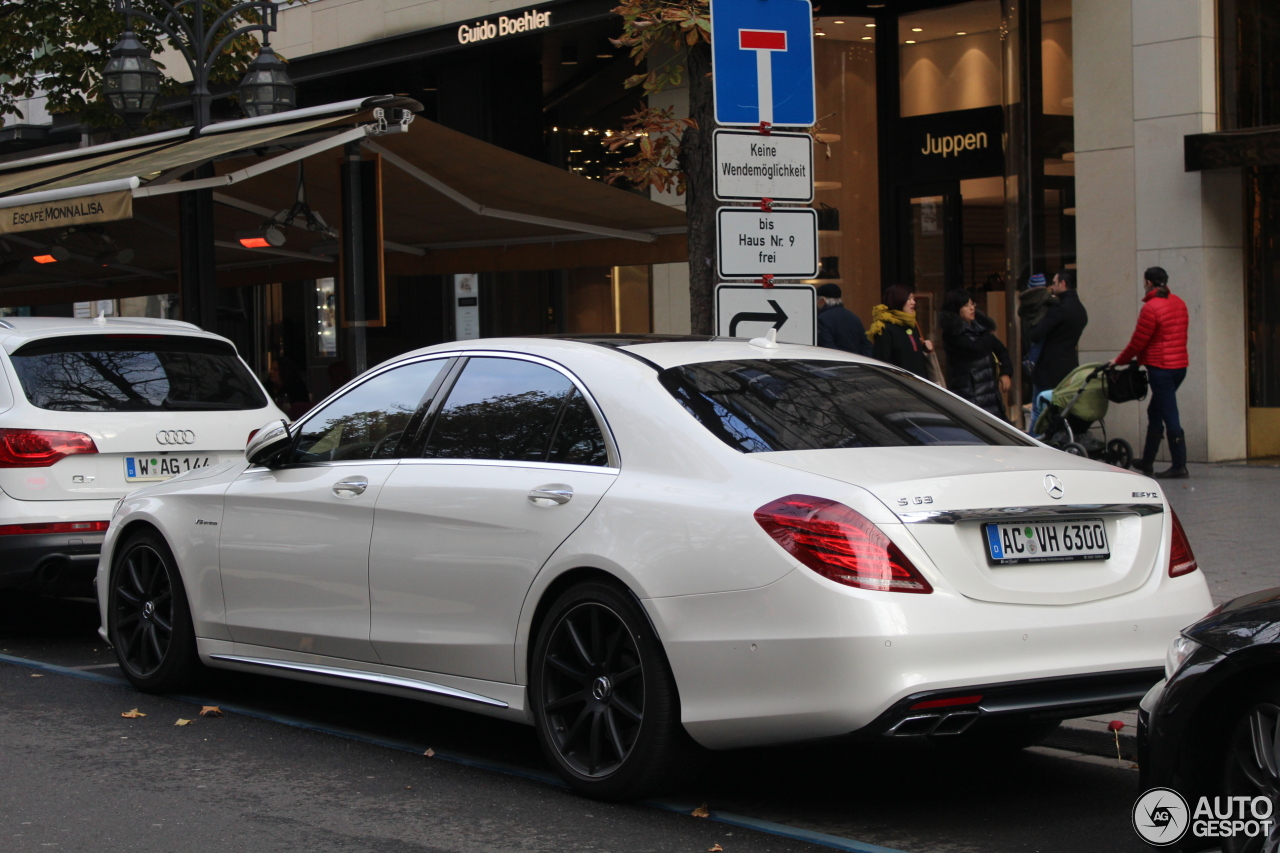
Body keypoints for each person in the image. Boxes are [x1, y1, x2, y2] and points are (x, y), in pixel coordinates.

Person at [1109, 266, 1190, 478]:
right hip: (1180, 367)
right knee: (1155, 411)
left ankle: (1179, 465)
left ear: (1149, 283)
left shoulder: (1151, 308)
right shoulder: (1179, 303)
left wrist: (1119, 360)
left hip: (1161, 369)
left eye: (1144, 281)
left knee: (1170, 415)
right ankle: (1147, 462)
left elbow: (1138, 341)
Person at [939, 289, 1012, 419]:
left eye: (972, 304)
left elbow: (1001, 349)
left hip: (990, 392)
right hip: (969, 393)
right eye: (966, 306)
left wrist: (1005, 372)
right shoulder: (953, 333)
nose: (972, 308)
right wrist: (986, 332)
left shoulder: (980, 328)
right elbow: (975, 348)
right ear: (957, 309)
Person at [1026, 269, 1088, 398]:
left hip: (1049, 370)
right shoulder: (1080, 309)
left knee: (1040, 409)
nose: (1052, 286)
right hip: (1069, 366)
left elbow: (1035, 333)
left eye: (1054, 283)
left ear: (1062, 283)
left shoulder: (1059, 309)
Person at [868, 284, 933, 378]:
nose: (913, 302)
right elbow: (881, 363)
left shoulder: (912, 324)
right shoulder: (885, 329)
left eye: (913, 299)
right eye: (909, 299)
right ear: (898, 300)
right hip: (900, 386)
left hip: (919, 384)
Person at [815, 283, 873, 356]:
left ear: (823, 300)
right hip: (857, 364)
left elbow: (828, 348)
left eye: (817, 300)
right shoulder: (854, 317)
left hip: (838, 364)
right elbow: (866, 344)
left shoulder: (822, 319)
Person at [1018, 273, 1057, 376]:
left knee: (1034, 344)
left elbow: (1020, 312)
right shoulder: (1044, 295)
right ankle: (1031, 361)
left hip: (1030, 325)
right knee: (1039, 344)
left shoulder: (1026, 298)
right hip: (1040, 323)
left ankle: (1028, 358)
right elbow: (1055, 301)